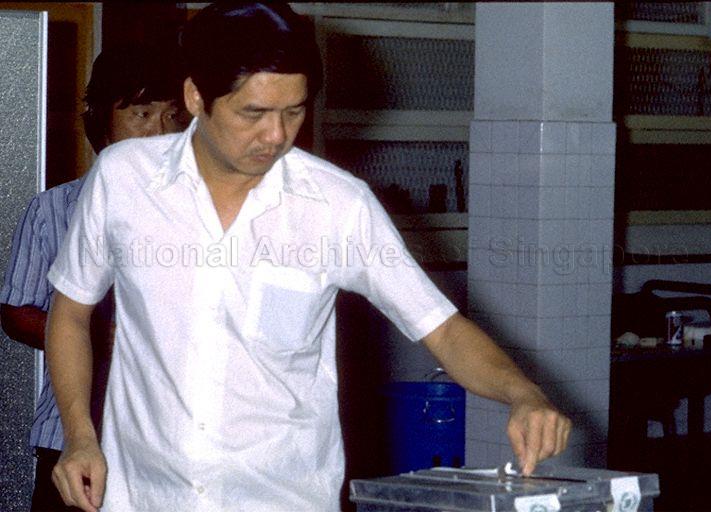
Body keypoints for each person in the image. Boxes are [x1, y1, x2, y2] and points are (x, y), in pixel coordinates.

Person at [45, 3, 572, 511]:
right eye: (254, 113)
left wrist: (523, 393)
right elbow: (69, 313)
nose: (276, 136)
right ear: (195, 96)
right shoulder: (123, 179)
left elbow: (444, 330)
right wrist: (79, 436)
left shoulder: (338, 206)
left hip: (283, 498)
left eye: (293, 112)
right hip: (145, 495)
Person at [0, 43, 189, 512]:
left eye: (173, 116)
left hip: (177, 447)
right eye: (141, 115)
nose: (160, 132)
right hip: (73, 440)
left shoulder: (206, 213)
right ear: (103, 120)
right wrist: (99, 336)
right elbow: (16, 311)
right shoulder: (55, 208)